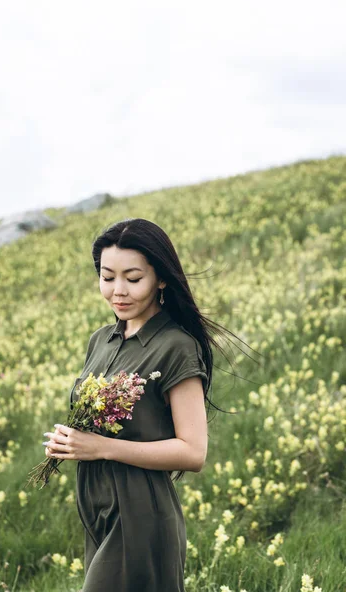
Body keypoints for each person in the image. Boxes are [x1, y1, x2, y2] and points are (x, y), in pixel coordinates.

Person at [42, 218, 249, 592]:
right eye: (108, 277)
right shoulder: (101, 340)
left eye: (133, 279)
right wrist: (72, 440)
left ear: (161, 279)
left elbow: (193, 452)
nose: (118, 291)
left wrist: (100, 447)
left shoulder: (175, 346)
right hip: (98, 510)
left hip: (140, 513)